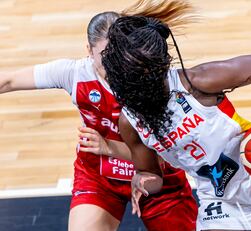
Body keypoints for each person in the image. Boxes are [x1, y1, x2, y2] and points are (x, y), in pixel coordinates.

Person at [101, 4, 251, 231]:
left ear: (151, 71)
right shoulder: (130, 122)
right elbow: (153, 175)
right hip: (218, 193)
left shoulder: (196, 82)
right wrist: (141, 180)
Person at [0, 2, 198, 231]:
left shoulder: (154, 78)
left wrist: (109, 147)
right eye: (105, 56)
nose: (115, 64)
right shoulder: (74, 74)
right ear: (89, 51)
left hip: (158, 178)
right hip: (100, 177)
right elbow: (9, 80)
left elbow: (165, 157)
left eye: (119, 54)